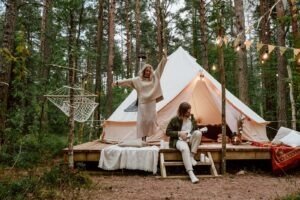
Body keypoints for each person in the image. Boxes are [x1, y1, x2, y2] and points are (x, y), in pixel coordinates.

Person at [112, 50, 168, 141]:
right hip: (143, 104)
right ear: (143, 71)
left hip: (151, 102)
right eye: (146, 71)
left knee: (151, 120)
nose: (148, 72)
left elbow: (160, 68)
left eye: (149, 71)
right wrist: (117, 82)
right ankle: (143, 139)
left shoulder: (155, 77)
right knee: (142, 122)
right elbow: (128, 81)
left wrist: (164, 58)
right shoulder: (138, 80)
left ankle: (149, 136)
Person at [166, 102, 206, 183]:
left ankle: (192, 156)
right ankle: (191, 174)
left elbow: (195, 129)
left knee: (198, 133)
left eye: (190, 111)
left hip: (190, 139)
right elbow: (167, 132)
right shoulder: (175, 119)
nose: (189, 113)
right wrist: (179, 133)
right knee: (185, 149)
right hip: (179, 140)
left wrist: (199, 130)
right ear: (182, 112)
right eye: (188, 112)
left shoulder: (192, 118)